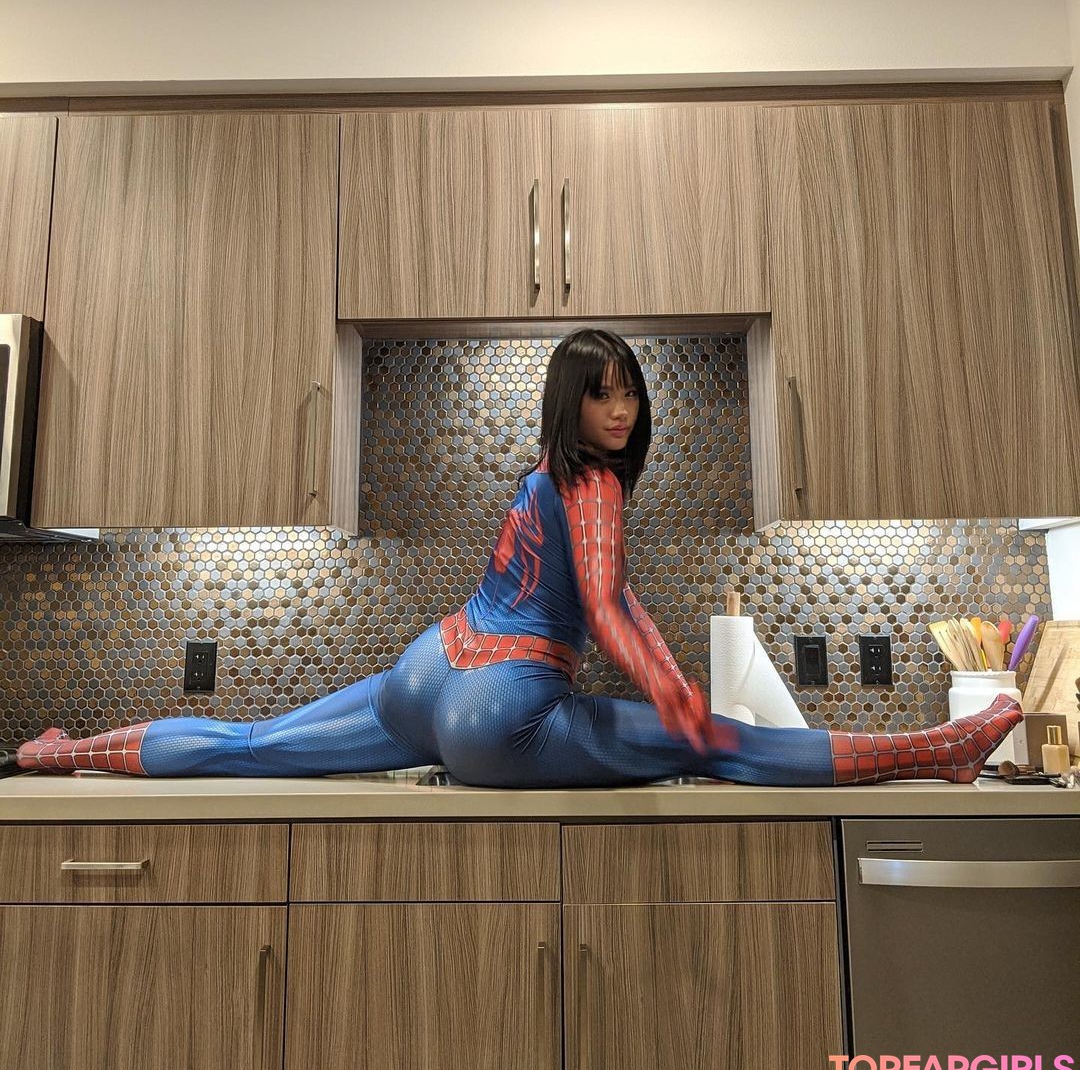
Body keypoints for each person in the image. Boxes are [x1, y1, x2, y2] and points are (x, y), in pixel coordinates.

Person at [17, 329, 1021, 786]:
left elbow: (588, 589)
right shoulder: (593, 485)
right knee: (722, 744)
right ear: (569, 404)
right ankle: (938, 748)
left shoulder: (539, 474)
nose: (620, 409)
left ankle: (55, 753)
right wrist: (673, 691)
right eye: (601, 393)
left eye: (628, 391)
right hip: (503, 713)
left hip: (427, 673)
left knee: (249, 745)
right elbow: (608, 602)